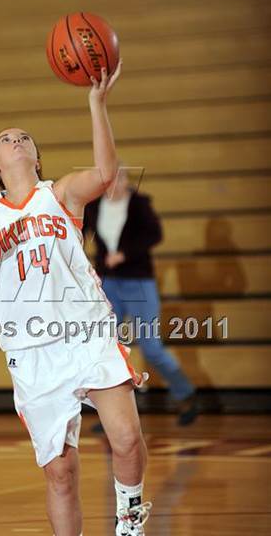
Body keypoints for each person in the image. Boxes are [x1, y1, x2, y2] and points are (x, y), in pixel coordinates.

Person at [0, 62, 152, 536]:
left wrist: (96, 104)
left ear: (36, 157)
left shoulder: (59, 194)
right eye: (6, 139)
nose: (16, 141)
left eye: (24, 138)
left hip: (86, 332)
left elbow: (104, 171)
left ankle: (130, 526)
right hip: (31, 350)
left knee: (127, 439)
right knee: (60, 473)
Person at [82, 168, 198, 426]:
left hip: (138, 282)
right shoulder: (93, 206)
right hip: (108, 282)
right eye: (111, 180)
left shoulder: (139, 204)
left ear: (126, 180)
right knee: (105, 346)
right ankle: (110, 412)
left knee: (151, 347)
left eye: (121, 178)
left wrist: (124, 254)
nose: (116, 184)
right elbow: (81, 234)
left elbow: (154, 235)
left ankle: (186, 395)